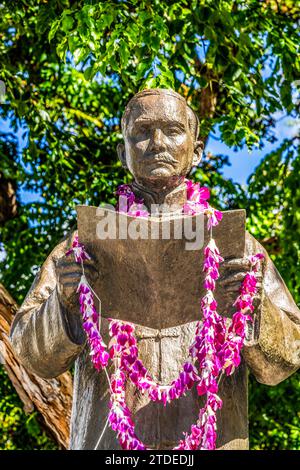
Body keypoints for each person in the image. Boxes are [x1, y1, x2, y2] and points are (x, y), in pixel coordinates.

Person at [9, 89, 300, 449]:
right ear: (123, 152)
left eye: (173, 130)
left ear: (196, 150)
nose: (157, 143)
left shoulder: (236, 248)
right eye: (142, 131)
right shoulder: (84, 247)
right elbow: (29, 354)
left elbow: (284, 361)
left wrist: (251, 307)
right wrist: (65, 304)